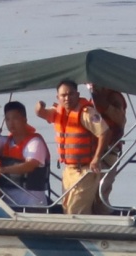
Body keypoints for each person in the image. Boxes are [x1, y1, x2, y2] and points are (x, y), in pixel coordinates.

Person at [35, 79, 111, 214]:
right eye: (63, 95)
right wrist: (39, 107)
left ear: (77, 94)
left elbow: (104, 132)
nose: (67, 98)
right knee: (67, 207)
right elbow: (42, 113)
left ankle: (82, 233)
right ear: (58, 97)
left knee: (75, 211)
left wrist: (97, 158)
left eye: (70, 94)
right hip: (69, 170)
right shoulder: (58, 112)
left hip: (85, 170)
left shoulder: (86, 112)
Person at [89, 84, 127, 214]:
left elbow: (121, 119)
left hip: (108, 152)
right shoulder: (90, 96)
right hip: (91, 153)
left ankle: (104, 220)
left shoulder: (114, 96)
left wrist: (104, 105)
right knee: (89, 193)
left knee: (101, 192)